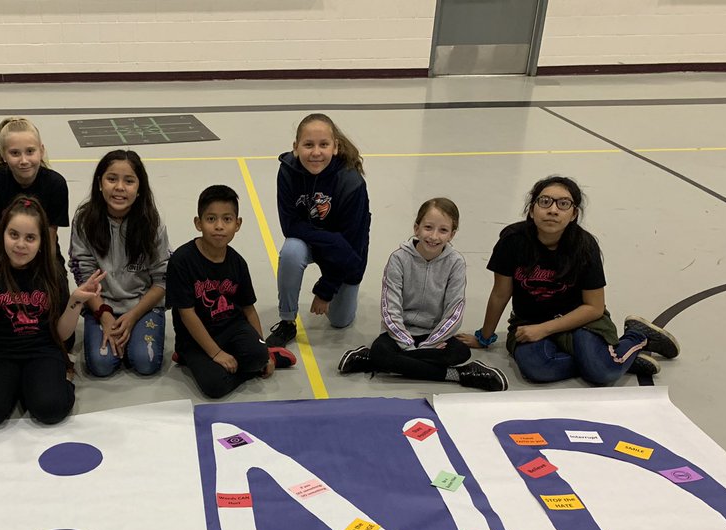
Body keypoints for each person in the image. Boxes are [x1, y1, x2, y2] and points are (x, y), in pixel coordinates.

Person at [460, 175, 679, 384]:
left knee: (603, 375)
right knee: (538, 370)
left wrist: (545, 329)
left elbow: (594, 308)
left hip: (580, 322)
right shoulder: (512, 241)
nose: (553, 210)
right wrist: (484, 337)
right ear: (531, 209)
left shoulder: (585, 247)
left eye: (563, 204)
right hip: (529, 322)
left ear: (574, 214)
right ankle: (610, 359)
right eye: (545, 202)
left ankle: (636, 336)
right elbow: (500, 293)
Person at [0, 197, 106, 429]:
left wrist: (75, 302)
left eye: (30, 238)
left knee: (50, 409)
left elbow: (62, 334)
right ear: (2, 234)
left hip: (41, 350)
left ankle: (60, 377)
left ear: (41, 241)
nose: (20, 244)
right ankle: (20, 384)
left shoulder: (51, 271)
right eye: (13, 234)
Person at [337, 198, 508, 391]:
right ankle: (459, 374)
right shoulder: (398, 259)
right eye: (428, 227)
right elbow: (389, 308)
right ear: (416, 228)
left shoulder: (455, 263)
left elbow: (455, 311)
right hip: (399, 333)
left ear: (452, 234)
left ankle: (373, 361)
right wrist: (408, 344)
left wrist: (430, 343)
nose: (434, 236)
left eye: (443, 230)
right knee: (382, 351)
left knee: (460, 353)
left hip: (436, 336)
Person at [169, 185, 296, 398]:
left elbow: (248, 309)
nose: (219, 226)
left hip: (232, 327)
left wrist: (263, 351)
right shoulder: (182, 261)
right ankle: (188, 357)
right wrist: (216, 353)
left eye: (227, 219)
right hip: (194, 337)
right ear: (198, 223)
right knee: (215, 386)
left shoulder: (237, 263)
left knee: (258, 357)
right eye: (211, 219)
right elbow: (186, 313)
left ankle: (268, 356)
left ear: (237, 224)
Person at [267, 113, 371, 348]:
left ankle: (341, 295)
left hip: (347, 253)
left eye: (323, 145)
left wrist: (326, 290)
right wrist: (332, 240)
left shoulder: (351, 182)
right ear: (295, 148)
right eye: (308, 145)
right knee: (291, 251)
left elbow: (353, 248)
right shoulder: (287, 171)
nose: (316, 152)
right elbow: (289, 226)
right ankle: (286, 321)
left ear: (335, 147)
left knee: (340, 321)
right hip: (321, 242)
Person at [69, 150, 170, 377]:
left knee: (146, 362)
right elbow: (84, 275)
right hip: (102, 304)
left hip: (143, 305)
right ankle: (116, 339)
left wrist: (133, 317)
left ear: (140, 188)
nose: (120, 187)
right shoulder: (84, 221)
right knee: (101, 365)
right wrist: (105, 316)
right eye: (111, 179)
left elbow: (162, 279)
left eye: (129, 181)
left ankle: (133, 337)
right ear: (99, 183)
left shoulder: (153, 224)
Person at [0, 117, 69, 282]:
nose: (24, 160)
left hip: (42, 257)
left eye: (30, 151)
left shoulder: (56, 184)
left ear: (41, 150)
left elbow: (50, 241)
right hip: (5, 257)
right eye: (15, 153)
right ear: (3, 154)